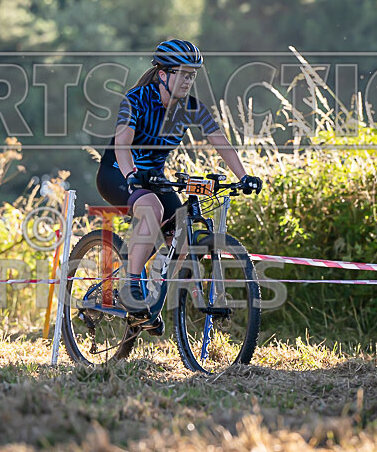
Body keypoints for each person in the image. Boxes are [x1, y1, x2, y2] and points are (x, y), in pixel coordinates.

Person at [96, 39, 262, 334]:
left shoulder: (192, 108)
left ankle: (151, 292)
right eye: (182, 73)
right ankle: (132, 287)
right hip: (118, 173)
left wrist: (244, 175)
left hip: (156, 179)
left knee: (182, 237)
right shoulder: (136, 100)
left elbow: (220, 142)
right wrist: (132, 176)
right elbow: (122, 144)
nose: (188, 80)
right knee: (152, 207)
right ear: (163, 74)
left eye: (192, 75)